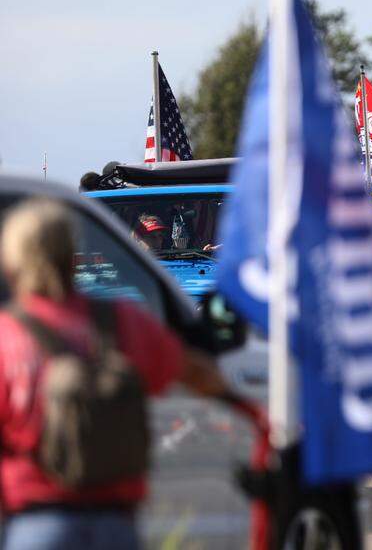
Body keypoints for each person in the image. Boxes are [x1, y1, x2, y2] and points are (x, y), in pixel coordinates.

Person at [0, 199, 237, 549]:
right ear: (71, 250)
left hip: (35, 522)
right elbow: (194, 372)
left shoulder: (8, 337)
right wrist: (239, 400)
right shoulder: (122, 321)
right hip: (116, 524)